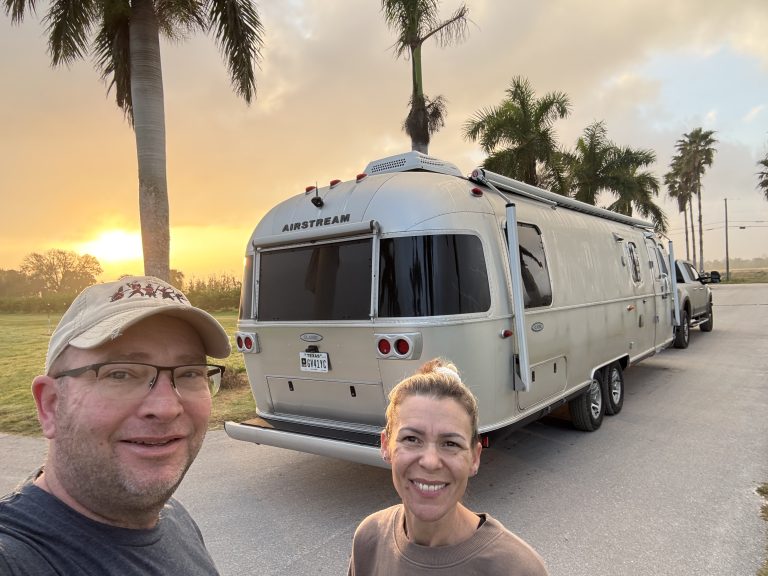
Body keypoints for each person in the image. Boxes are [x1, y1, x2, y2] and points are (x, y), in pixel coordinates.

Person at [0, 276, 232, 575]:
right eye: (120, 374)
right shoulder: (15, 558)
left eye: (189, 373)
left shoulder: (173, 516)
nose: (166, 408)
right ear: (51, 405)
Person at [348, 358, 549, 575]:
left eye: (450, 444)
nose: (430, 462)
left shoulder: (517, 569)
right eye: (411, 439)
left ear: (474, 458)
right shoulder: (370, 539)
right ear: (386, 445)